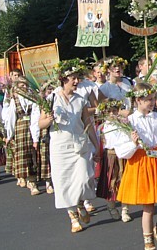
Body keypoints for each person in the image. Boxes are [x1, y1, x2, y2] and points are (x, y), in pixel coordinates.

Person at [115, 83, 157, 250]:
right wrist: (134, 144)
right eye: (148, 100)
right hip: (141, 162)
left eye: (153, 99)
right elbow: (122, 151)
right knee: (148, 205)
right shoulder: (130, 121)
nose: (151, 103)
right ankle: (148, 243)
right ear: (138, 100)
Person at [38, 64, 100, 233]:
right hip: (60, 147)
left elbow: (88, 124)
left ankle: (80, 202)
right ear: (63, 80)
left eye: (77, 78)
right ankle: (73, 217)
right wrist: (49, 120)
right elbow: (41, 123)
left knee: (85, 178)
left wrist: (96, 146)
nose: (77, 81)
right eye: (73, 78)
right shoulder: (50, 99)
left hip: (79, 145)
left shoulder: (81, 100)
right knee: (63, 181)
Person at [95, 99, 130, 220]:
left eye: (114, 111)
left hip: (122, 155)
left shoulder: (124, 124)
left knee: (124, 181)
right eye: (109, 111)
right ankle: (111, 207)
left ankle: (125, 210)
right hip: (110, 156)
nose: (111, 114)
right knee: (111, 182)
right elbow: (99, 143)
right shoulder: (102, 127)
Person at [3, 79, 39, 195]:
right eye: (21, 85)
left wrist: (36, 136)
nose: (24, 87)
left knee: (33, 153)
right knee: (22, 154)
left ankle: (32, 181)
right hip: (20, 128)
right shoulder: (15, 100)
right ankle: (25, 178)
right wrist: (9, 135)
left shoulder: (32, 99)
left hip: (31, 126)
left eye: (25, 85)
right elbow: (11, 118)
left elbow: (35, 115)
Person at [30, 82, 55, 195]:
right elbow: (35, 122)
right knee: (45, 158)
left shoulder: (56, 101)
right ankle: (48, 183)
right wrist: (35, 139)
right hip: (44, 132)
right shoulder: (39, 105)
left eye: (51, 89)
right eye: (47, 89)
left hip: (55, 132)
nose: (50, 91)